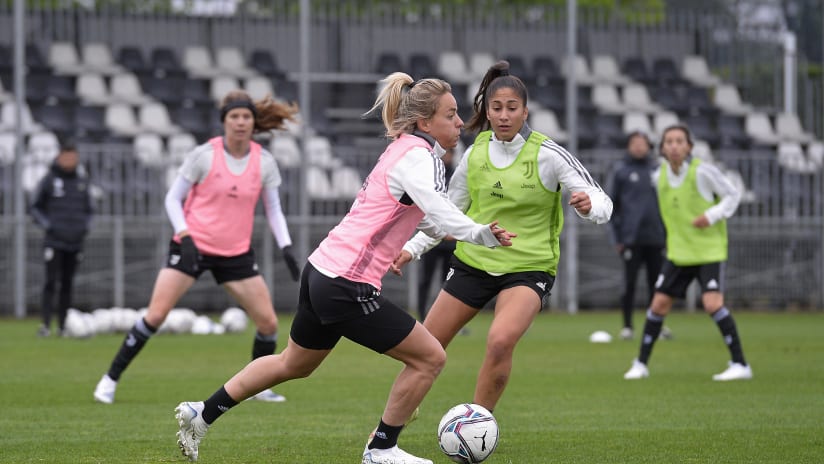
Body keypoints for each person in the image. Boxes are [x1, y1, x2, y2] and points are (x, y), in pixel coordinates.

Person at [173, 72, 516, 464]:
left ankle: (202, 412)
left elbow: (423, 218)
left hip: (321, 270)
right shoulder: (423, 157)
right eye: (451, 114)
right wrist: (479, 233)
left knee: (293, 363)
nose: (460, 123)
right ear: (425, 122)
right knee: (430, 358)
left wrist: (410, 249)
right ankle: (381, 448)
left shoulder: (402, 149)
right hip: (346, 283)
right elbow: (437, 211)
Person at [391, 61, 613, 414]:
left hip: (529, 268)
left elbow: (601, 200)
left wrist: (589, 208)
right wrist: (412, 248)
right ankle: (390, 429)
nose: (504, 115)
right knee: (425, 347)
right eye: (497, 108)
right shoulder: (475, 153)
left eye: (512, 108)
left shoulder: (548, 154)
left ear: (525, 111)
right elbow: (447, 210)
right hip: (473, 263)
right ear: (487, 111)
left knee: (499, 341)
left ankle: (477, 425)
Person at [93, 90, 302, 404]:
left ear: (253, 122)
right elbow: (172, 199)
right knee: (156, 315)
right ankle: (109, 380)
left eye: (246, 117)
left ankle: (258, 387)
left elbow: (273, 209)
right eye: (234, 117)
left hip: (235, 253)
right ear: (224, 122)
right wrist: (185, 235)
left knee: (269, 323)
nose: (241, 122)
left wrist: (286, 246)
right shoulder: (204, 155)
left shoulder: (264, 161)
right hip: (193, 246)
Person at [623, 124, 752, 381]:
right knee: (658, 304)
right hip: (679, 253)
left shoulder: (703, 172)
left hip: (708, 251)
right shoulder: (658, 176)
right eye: (669, 141)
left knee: (712, 303)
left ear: (689, 147)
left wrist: (711, 215)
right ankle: (640, 364)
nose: (674, 145)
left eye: (679, 141)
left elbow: (732, 195)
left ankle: (740, 365)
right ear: (661, 148)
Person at [30, 140, 94, 337]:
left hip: (75, 241)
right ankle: (46, 324)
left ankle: (63, 326)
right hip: (54, 241)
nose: (70, 160)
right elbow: (35, 207)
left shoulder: (82, 182)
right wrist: (49, 226)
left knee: (67, 283)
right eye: (66, 156)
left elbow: (90, 210)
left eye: (73, 157)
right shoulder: (49, 180)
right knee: (51, 282)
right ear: (59, 157)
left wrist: (85, 227)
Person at [607, 131, 666, 340]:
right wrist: (617, 238)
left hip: (657, 238)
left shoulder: (659, 170)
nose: (639, 147)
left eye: (643, 143)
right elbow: (610, 206)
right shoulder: (621, 171)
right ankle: (628, 326)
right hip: (630, 239)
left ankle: (656, 326)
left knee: (657, 285)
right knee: (629, 284)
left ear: (649, 146)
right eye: (635, 143)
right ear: (628, 146)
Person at [415, 146, 456, 321]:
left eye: (449, 153)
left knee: (447, 283)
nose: (446, 156)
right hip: (431, 238)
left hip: (450, 241)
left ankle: (444, 319)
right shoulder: (430, 173)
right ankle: (422, 315)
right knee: (425, 280)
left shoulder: (457, 176)